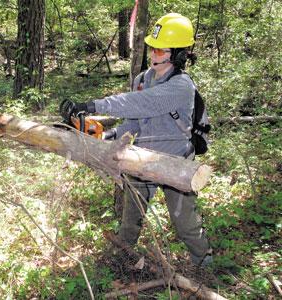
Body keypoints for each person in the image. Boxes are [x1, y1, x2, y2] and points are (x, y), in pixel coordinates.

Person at [60, 13, 213, 267]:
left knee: (184, 223)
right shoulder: (142, 80)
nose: (153, 54)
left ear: (178, 54)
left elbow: (138, 104)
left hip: (175, 163)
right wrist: (109, 135)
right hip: (141, 161)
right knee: (131, 218)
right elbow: (135, 122)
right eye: (152, 48)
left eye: (160, 50)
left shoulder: (181, 87)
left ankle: (204, 266)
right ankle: (121, 259)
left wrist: (92, 105)